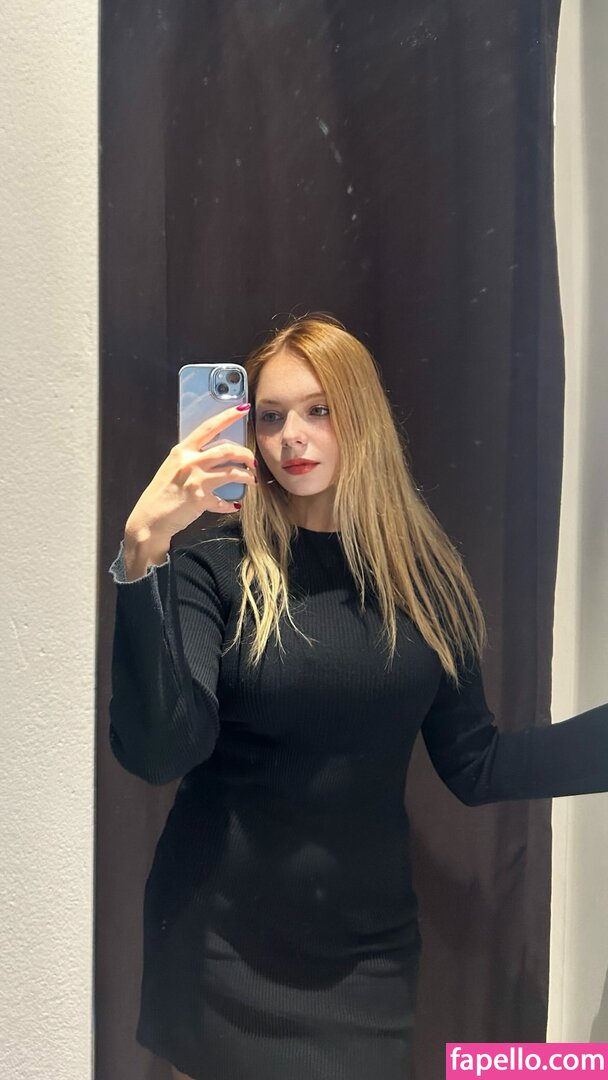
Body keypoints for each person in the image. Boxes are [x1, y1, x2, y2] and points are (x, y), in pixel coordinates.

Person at [107, 312, 608, 1080]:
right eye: (270, 417)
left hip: (367, 960)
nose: (291, 437)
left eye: (319, 410)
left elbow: (478, 764)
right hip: (217, 948)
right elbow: (161, 751)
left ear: (363, 418)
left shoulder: (425, 581)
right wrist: (145, 553)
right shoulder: (215, 569)